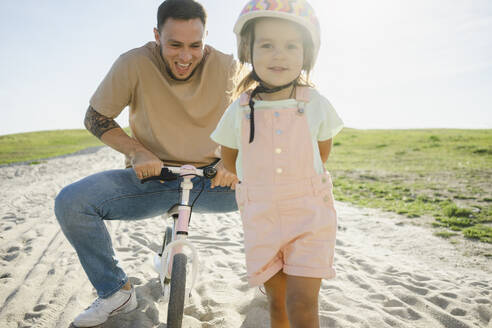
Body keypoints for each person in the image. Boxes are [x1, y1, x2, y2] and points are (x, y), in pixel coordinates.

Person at [54, 0, 239, 326]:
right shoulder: (133, 63)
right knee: (71, 202)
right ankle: (115, 292)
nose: (186, 56)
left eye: (196, 45)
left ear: (206, 38)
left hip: (212, 180)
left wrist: (235, 161)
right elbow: (95, 116)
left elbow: (258, 122)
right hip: (153, 178)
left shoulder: (228, 67)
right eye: (175, 44)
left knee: (287, 193)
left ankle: (275, 281)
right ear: (157, 35)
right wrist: (136, 150)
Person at [211, 0, 344, 327]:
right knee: (279, 304)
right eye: (266, 45)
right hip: (262, 217)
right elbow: (230, 159)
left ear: (305, 53)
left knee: (302, 303)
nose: (278, 54)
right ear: (248, 50)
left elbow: (321, 152)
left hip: (308, 216)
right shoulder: (239, 109)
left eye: (290, 46)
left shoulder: (315, 103)